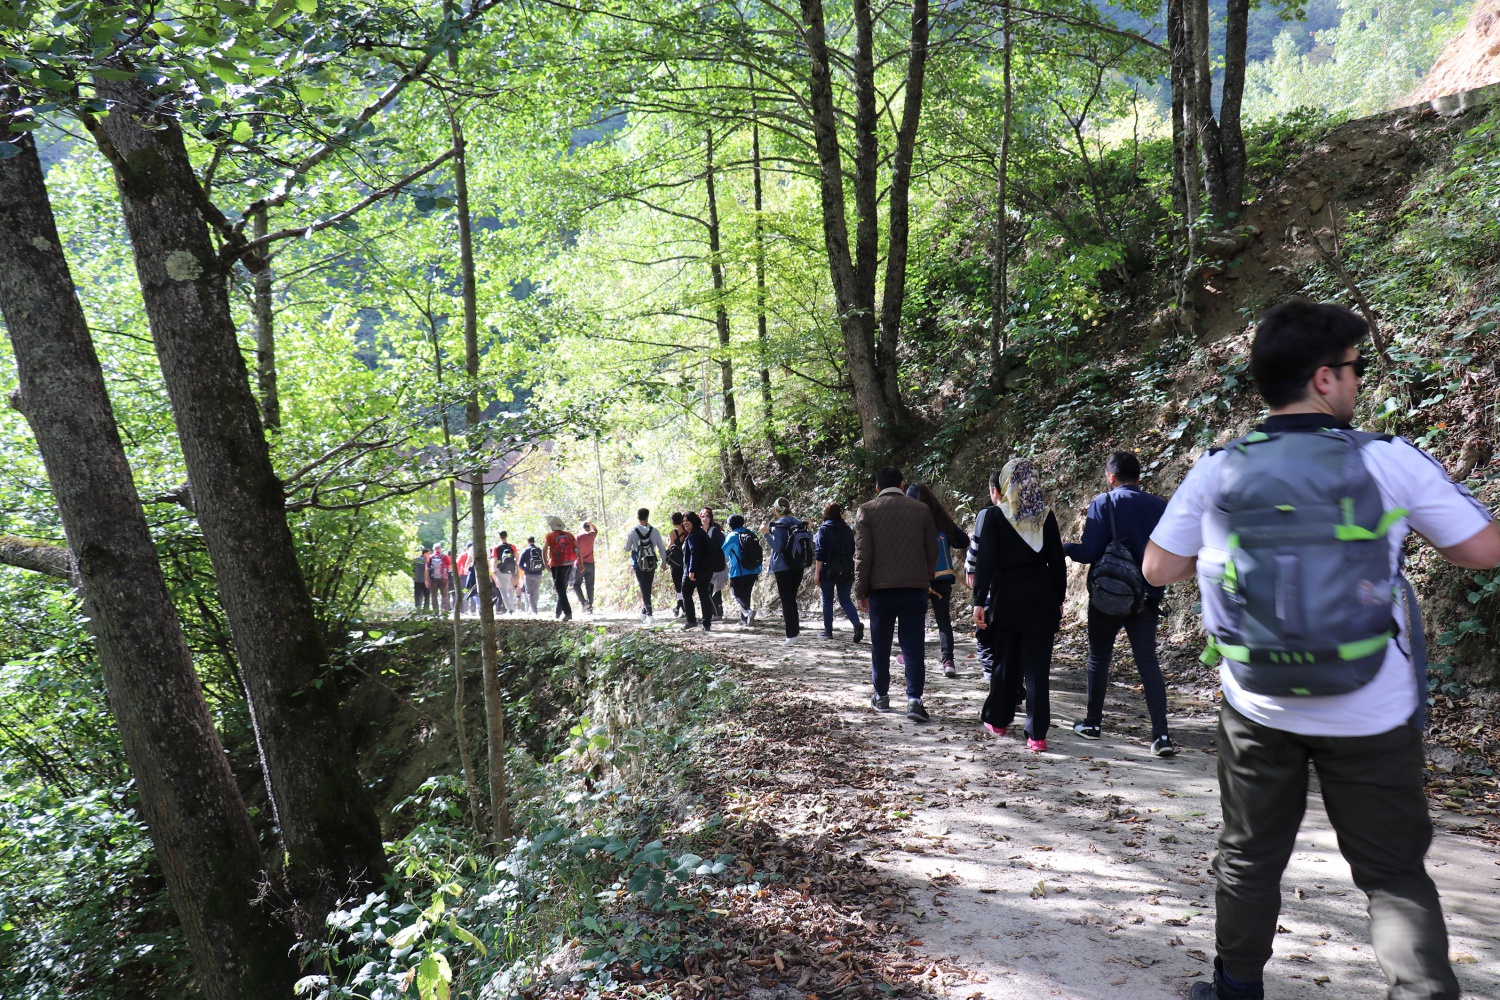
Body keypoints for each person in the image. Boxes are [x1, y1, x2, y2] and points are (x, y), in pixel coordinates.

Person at [1142, 300, 1500, 1000]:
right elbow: (1481, 550)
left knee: (1249, 855)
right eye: (1355, 369)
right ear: (1326, 378)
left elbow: (1158, 568)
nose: (1359, 381)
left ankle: (1236, 987)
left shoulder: (1218, 469)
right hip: (1373, 708)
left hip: (1258, 704)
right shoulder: (1386, 460)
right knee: (1393, 873)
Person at [1062, 450, 1175, 755]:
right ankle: (1161, 737)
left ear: (1111, 477)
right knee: (1148, 662)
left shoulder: (1104, 502)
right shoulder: (1159, 506)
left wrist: (1064, 548)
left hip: (1107, 596)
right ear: (1139, 478)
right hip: (1146, 596)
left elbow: (1089, 552)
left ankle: (1093, 723)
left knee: (1099, 657)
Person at [972, 459, 1066, 752]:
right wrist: (1059, 599)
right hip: (1041, 598)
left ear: (1005, 483)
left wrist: (979, 601)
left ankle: (998, 719)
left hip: (1007, 599)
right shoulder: (1045, 517)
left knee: (1006, 663)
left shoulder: (994, 516)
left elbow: (984, 563)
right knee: (1038, 669)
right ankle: (1037, 735)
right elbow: (1058, 563)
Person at [854, 467, 938, 722]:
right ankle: (914, 700)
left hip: (881, 591)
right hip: (914, 590)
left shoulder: (867, 511)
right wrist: (926, 577)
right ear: (902, 485)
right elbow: (932, 550)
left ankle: (881, 696)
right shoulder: (921, 510)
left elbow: (862, 556)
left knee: (881, 644)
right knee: (913, 645)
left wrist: (860, 590)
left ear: (877, 488)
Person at [906, 483, 971, 678]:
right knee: (943, 621)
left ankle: (910, 656)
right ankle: (948, 661)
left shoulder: (909, 521)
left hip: (918, 579)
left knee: (914, 619)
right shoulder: (941, 520)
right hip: (942, 577)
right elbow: (964, 541)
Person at [764, 497, 810, 645]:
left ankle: (791, 635)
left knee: (787, 600)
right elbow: (810, 539)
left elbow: (777, 547)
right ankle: (794, 632)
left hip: (782, 568)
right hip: (798, 565)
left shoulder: (778, 525)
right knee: (792, 599)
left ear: (776, 510)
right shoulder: (799, 523)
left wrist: (765, 533)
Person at [814, 502, 863, 641]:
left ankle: (828, 631)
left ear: (827, 513)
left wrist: (817, 573)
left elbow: (819, 554)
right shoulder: (847, 529)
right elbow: (852, 550)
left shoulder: (824, 529)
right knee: (845, 600)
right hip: (846, 569)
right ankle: (856, 623)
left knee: (827, 600)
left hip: (828, 570)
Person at [624, 508, 668, 623]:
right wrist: (664, 562)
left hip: (638, 564)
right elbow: (661, 548)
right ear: (647, 517)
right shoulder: (654, 531)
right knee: (647, 587)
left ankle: (650, 615)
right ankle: (644, 611)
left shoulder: (632, 531)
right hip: (651, 563)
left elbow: (627, 548)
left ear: (637, 517)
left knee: (644, 588)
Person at [722, 513, 763, 626]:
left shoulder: (731, 536)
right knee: (746, 594)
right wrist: (759, 567)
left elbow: (723, 553)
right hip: (753, 570)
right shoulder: (751, 533)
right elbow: (758, 552)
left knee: (735, 594)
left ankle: (748, 612)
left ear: (730, 525)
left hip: (738, 571)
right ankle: (745, 620)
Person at [679, 511, 716, 631]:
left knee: (686, 593)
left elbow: (695, 553)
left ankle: (691, 620)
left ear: (693, 521)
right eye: (683, 521)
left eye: (687, 521)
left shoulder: (693, 535)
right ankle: (706, 623)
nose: (685, 523)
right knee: (704, 595)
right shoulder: (702, 533)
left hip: (695, 570)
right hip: (706, 570)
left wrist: (691, 570)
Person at [543, 516, 577, 621]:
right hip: (569, 563)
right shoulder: (569, 535)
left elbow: (544, 550)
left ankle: (568, 613)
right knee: (563, 588)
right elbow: (578, 548)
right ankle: (558, 612)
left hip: (556, 565)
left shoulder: (550, 536)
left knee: (560, 589)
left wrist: (545, 563)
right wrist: (580, 563)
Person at [701, 507, 729, 621]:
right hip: (704, 566)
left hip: (716, 566)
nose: (705, 518)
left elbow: (724, 546)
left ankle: (718, 614)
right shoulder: (700, 531)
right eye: (703, 516)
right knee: (707, 590)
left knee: (715, 590)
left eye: (707, 516)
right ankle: (711, 613)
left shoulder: (715, 531)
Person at [571, 520, 598, 614]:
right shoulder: (591, 535)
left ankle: (583, 603)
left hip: (580, 564)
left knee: (576, 584)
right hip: (591, 564)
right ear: (588, 528)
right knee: (590, 586)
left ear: (582, 528)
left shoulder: (578, 537)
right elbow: (595, 530)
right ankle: (590, 608)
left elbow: (575, 550)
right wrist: (590, 523)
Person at [666, 512, 688, 617]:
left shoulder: (673, 532)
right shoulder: (686, 531)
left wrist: (667, 543)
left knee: (678, 587)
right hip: (686, 562)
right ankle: (679, 607)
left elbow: (670, 546)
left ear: (673, 522)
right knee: (684, 586)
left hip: (675, 563)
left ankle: (683, 609)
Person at [492, 532, 519, 614]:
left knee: (503, 591)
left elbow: (495, 560)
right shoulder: (512, 546)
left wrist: (494, 571)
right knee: (510, 589)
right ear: (506, 537)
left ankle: (509, 609)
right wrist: (514, 568)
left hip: (500, 570)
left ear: (499, 537)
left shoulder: (496, 548)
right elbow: (517, 558)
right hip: (510, 571)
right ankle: (512, 608)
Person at [518, 535, 545, 614]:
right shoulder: (539, 550)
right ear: (534, 541)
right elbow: (545, 561)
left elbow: (520, 564)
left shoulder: (525, 551)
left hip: (529, 575)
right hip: (538, 574)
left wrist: (526, 570)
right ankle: (533, 609)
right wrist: (541, 569)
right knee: (535, 592)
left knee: (529, 593)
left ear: (527, 542)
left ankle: (534, 610)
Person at [429, 542, 453, 614]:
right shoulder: (445, 557)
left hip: (433, 579)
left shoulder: (430, 557)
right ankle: (443, 609)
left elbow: (427, 569)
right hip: (444, 578)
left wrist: (426, 579)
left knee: (434, 595)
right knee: (444, 594)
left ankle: (435, 610)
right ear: (440, 549)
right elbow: (450, 567)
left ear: (433, 549)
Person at [457, 542, 476, 614]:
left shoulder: (463, 555)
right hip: (472, 575)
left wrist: (458, 574)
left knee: (465, 591)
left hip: (464, 575)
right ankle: (473, 610)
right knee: (473, 591)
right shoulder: (475, 554)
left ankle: (464, 609)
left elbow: (457, 564)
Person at [412, 544, 432, 611]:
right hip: (425, 580)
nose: (429, 555)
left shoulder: (415, 560)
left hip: (417, 580)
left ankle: (417, 607)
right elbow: (430, 570)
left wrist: (414, 577)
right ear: (425, 553)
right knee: (426, 595)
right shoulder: (427, 561)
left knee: (417, 594)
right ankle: (426, 609)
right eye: (428, 554)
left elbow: (411, 570)